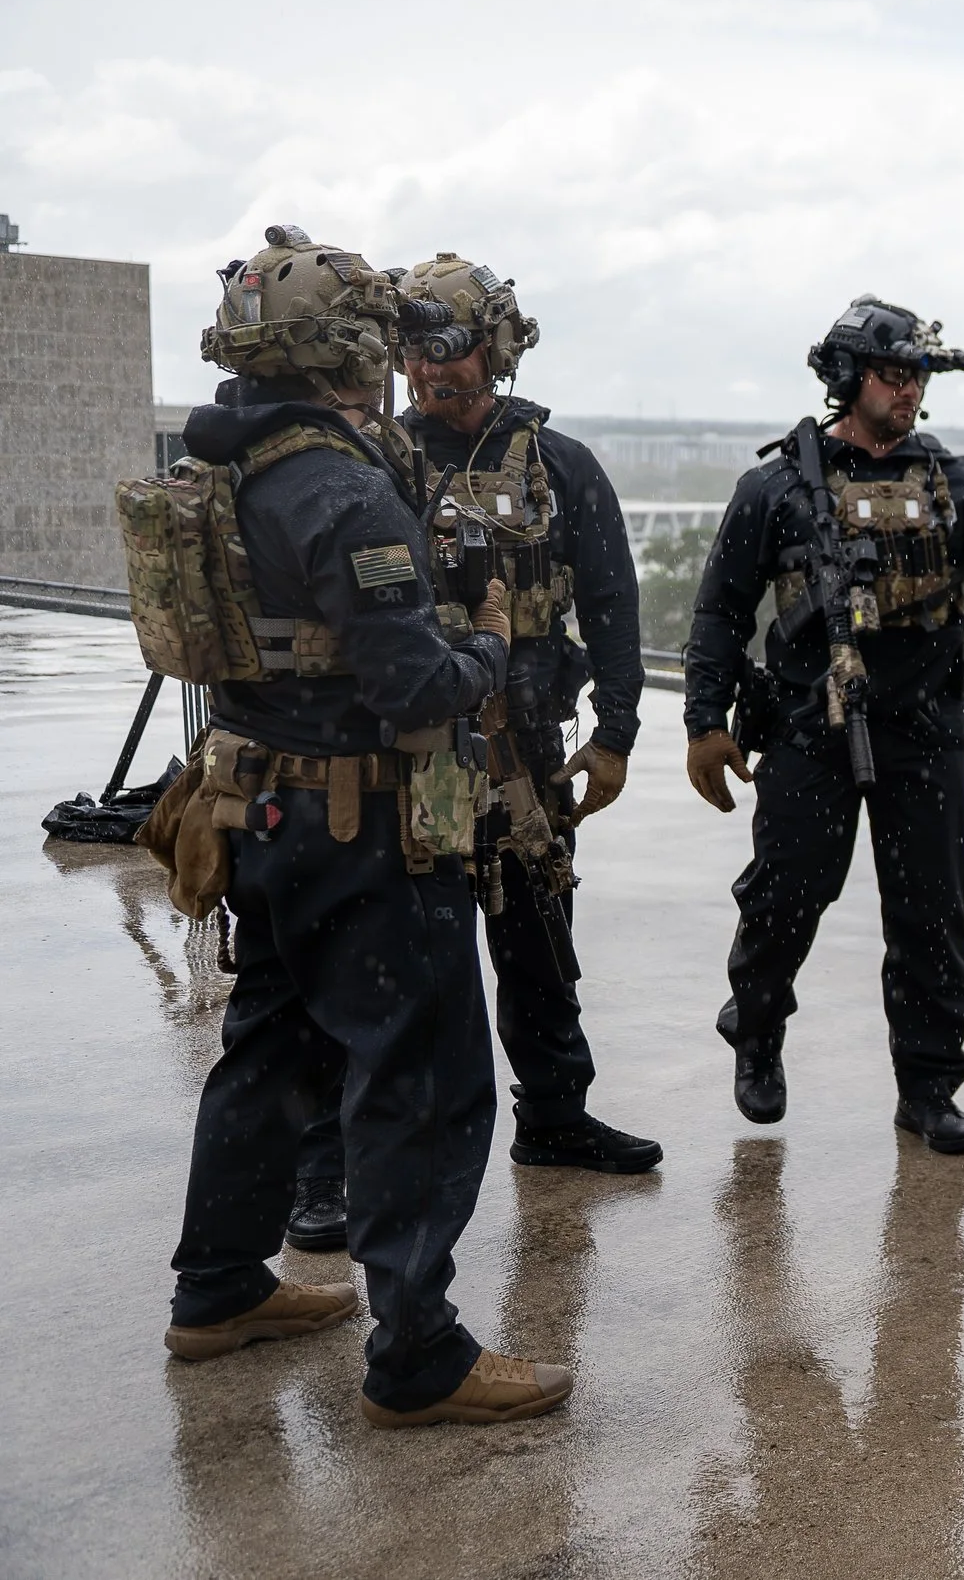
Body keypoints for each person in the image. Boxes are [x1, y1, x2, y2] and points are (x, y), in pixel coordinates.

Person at [143, 225, 572, 1427]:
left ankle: (219, 1287)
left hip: (262, 806)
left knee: (271, 1048)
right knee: (421, 1073)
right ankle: (419, 1355)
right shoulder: (338, 484)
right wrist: (487, 637)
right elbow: (414, 684)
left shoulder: (228, 456)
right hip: (360, 821)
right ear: (346, 353)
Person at [281, 254, 658, 1255]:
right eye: (412, 351)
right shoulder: (368, 461)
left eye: (446, 349)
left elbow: (614, 605)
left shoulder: (558, 463)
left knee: (539, 942)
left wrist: (615, 730)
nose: (428, 370)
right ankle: (326, 1167)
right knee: (379, 963)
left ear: (497, 345)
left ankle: (557, 1118)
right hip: (404, 752)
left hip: (525, 750)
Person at [682, 296, 964, 1150]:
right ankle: (758, 1026)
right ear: (850, 377)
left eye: (918, 375)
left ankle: (928, 1085)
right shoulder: (776, 486)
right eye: (893, 373)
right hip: (812, 727)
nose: (909, 390)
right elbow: (720, 611)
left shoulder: (952, 481)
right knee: (786, 896)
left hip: (925, 733)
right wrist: (704, 719)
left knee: (930, 914)